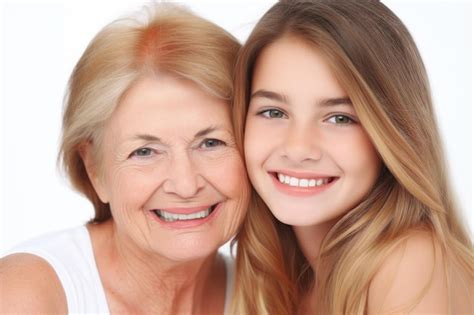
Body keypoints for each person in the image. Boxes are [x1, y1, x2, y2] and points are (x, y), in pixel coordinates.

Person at [0, 3, 249, 314]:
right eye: (144, 151)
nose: (185, 185)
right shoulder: (26, 295)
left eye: (210, 143)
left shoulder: (269, 295)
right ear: (94, 169)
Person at [231, 0, 473, 314]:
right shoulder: (285, 280)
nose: (298, 148)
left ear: (391, 133)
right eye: (273, 112)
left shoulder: (411, 263)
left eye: (339, 118)